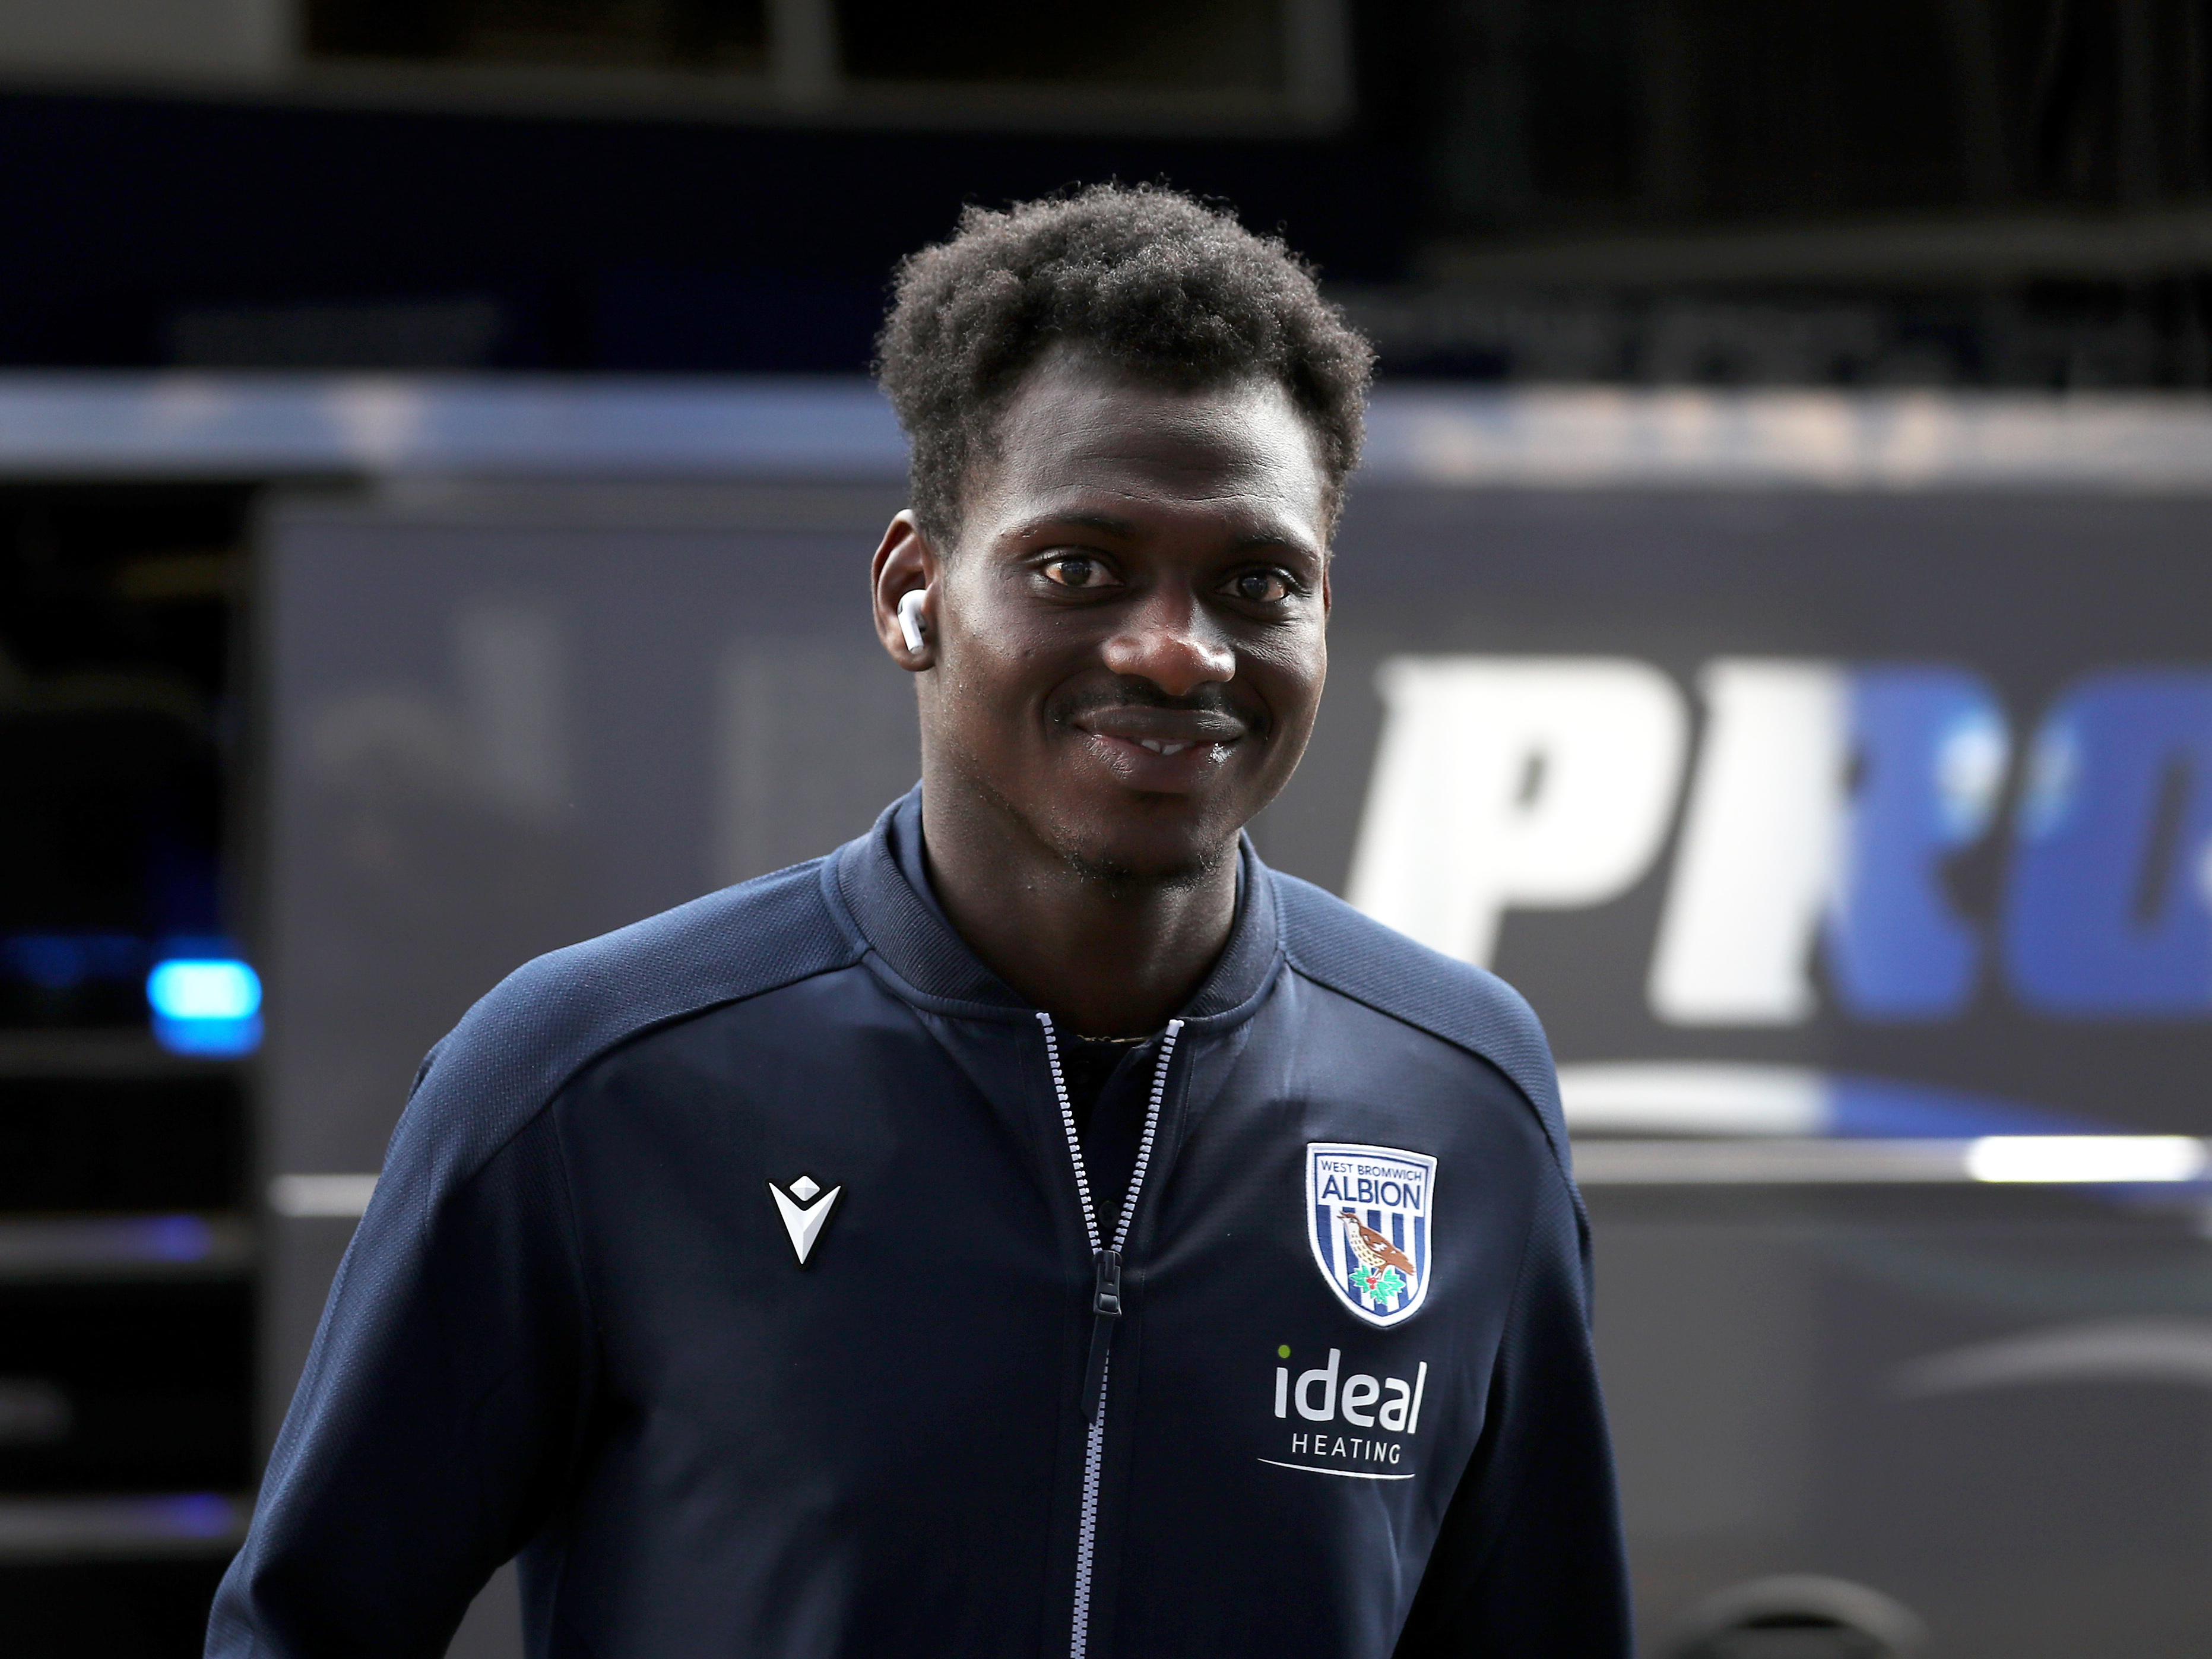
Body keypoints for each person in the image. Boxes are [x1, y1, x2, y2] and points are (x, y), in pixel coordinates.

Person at [208, 184, 1630, 1658]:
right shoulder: (591, 1076)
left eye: (1254, 581)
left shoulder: (1461, 1090)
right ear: (913, 594)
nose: (1174, 647)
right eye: (1081, 565)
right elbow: (308, 1627)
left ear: (1323, 612)